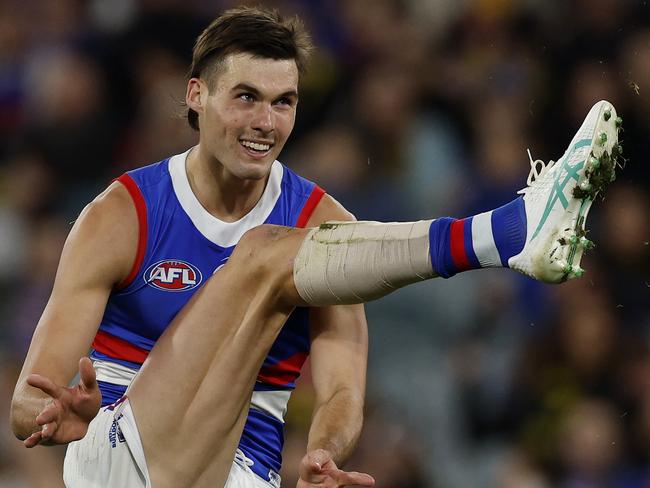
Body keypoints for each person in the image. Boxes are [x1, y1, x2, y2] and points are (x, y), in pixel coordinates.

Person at [9, 6, 623, 488]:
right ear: (196, 95)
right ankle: (508, 233)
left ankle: (514, 233)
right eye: (245, 96)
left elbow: (341, 392)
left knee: (282, 255)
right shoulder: (124, 214)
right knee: (264, 256)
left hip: (243, 476)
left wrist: (324, 451)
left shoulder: (325, 233)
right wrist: (60, 416)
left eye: (284, 103)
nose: (266, 123)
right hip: (118, 463)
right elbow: (24, 406)